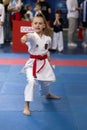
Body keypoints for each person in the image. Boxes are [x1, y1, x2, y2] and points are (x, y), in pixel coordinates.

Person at [21, 14, 60, 116]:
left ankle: (47, 94)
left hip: (44, 63)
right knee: (32, 82)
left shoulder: (47, 38)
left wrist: (48, 55)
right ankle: (26, 105)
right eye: (35, 23)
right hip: (32, 63)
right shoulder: (32, 36)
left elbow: (46, 49)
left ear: (44, 25)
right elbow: (28, 36)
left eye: (40, 23)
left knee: (46, 82)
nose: (38, 25)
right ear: (32, 25)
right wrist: (24, 37)